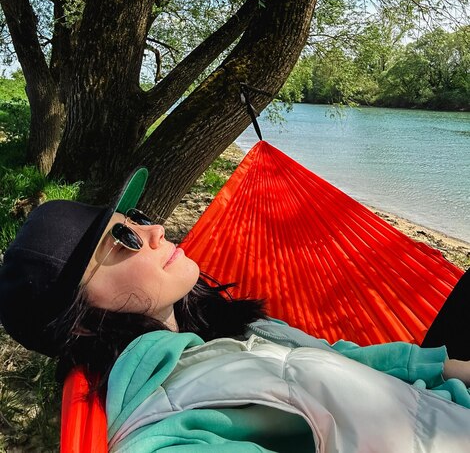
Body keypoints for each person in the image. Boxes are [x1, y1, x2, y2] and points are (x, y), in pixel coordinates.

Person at [1, 168, 470, 453]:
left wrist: (446, 367)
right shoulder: (171, 428)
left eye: (137, 220)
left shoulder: (222, 326)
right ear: (81, 320)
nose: (157, 230)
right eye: (123, 240)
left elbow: (333, 357)